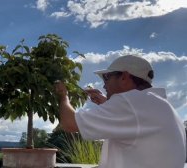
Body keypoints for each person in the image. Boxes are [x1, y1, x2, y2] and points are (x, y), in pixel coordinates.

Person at [55, 55, 186, 168]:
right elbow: (136, 121)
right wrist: (107, 103)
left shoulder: (130, 102)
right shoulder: (160, 105)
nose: (104, 85)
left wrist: (63, 96)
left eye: (106, 77)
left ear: (124, 77)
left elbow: (69, 123)